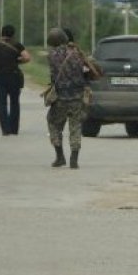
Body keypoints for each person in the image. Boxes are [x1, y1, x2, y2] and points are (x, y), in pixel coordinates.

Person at [46, 27, 88, 169]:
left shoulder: (51, 55)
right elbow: (86, 69)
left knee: (53, 123)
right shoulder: (77, 53)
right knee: (75, 126)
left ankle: (60, 156)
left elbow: (53, 75)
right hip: (77, 96)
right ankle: (74, 159)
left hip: (60, 98)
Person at [0, 24, 30, 136]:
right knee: (15, 103)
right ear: (13, 34)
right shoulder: (17, 45)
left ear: (2, 33)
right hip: (14, 76)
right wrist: (17, 61)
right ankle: (14, 129)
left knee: (2, 103)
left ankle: (5, 129)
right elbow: (27, 58)